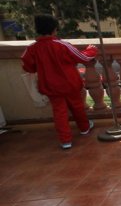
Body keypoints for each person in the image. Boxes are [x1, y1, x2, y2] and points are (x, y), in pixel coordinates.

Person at [21, 14, 98, 149]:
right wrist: (92, 49)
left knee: (59, 113)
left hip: (50, 87)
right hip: (69, 84)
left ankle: (65, 140)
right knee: (77, 107)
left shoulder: (32, 48)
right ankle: (84, 128)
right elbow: (83, 57)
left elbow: (28, 67)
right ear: (54, 29)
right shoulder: (61, 45)